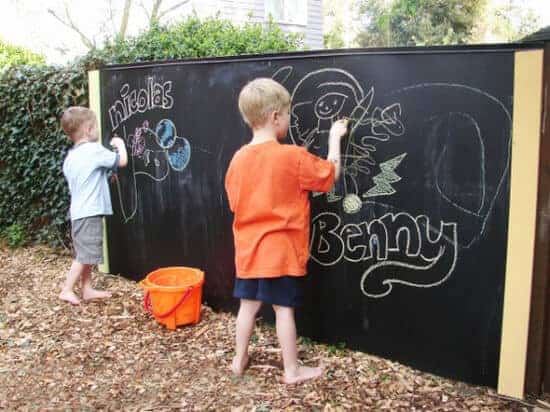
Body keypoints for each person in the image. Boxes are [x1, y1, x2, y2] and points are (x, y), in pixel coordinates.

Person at [225, 78, 347, 384]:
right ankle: (291, 370)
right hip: (280, 253)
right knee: (283, 311)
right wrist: (335, 138)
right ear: (275, 116)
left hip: (249, 251)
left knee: (248, 308)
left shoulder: (237, 159)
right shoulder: (292, 156)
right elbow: (329, 175)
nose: (290, 120)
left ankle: (238, 361)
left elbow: (233, 202)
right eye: (288, 114)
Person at [59, 106, 128, 305]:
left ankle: (87, 289)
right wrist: (119, 144)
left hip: (79, 211)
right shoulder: (94, 150)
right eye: (96, 126)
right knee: (84, 255)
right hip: (90, 212)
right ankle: (67, 289)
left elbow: (87, 178)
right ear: (88, 130)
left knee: (87, 253)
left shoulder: (71, 157)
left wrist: (106, 176)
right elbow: (121, 161)